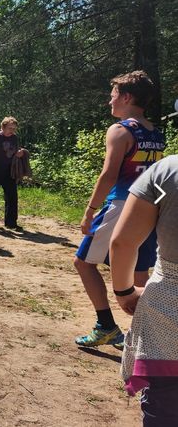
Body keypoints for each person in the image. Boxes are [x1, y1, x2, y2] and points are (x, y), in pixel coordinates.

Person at [73, 70, 165, 348]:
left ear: (126, 97)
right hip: (151, 208)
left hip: (122, 205)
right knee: (139, 272)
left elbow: (108, 175)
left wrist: (90, 210)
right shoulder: (155, 133)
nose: (109, 101)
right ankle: (146, 337)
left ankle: (106, 326)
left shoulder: (120, 130)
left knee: (83, 262)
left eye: (113, 95)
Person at [110, 155, 178, 424]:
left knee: (165, 410)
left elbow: (123, 243)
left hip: (168, 317)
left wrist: (125, 292)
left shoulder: (167, 172)